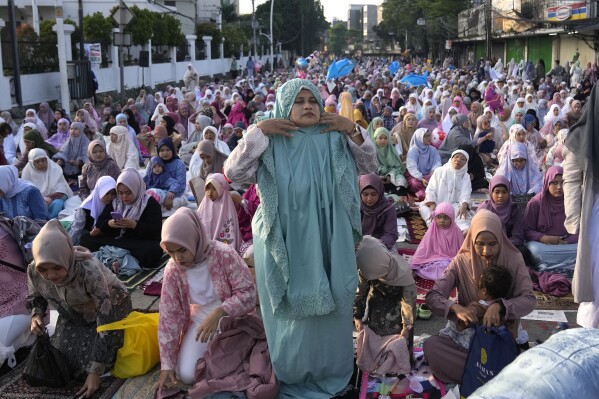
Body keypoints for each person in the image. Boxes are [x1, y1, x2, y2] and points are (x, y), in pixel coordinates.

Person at [223, 78, 377, 398]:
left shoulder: (334, 135)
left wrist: (351, 128)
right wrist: (258, 131)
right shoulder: (270, 138)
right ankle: (292, 373)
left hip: (330, 236)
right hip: (285, 239)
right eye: (298, 100)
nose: (307, 105)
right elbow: (233, 173)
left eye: (312, 100)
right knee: (291, 311)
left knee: (335, 301)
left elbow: (370, 164)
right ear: (283, 106)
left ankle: (333, 371)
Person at [424, 210, 535, 383]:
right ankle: (498, 374)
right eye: (480, 244)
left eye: (492, 244)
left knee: (499, 354)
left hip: (502, 334)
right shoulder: (461, 261)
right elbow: (433, 296)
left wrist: (500, 306)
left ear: (500, 239)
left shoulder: (514, 259)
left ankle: (482, 373)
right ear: (471, 240)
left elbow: (528, 299)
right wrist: (455, 308)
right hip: (469, 334)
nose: (486, 250)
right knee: (432, 346)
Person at [27, 220, 132, 398]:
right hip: (73, 313)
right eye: (43, 269)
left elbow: (108, 322)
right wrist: (36, 315)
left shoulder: (89, 272)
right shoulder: (33, 270)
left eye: (57, 267)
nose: (51, 276)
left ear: (67, 258)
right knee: (63, 363)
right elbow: (36, 296)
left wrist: (95, 372)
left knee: (91, 367)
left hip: (113, 308)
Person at [156, 207, 256, 389]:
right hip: (201, 323)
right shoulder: (173, 269)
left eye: (182, 250)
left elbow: (248, 293)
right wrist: (167, 365)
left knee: (238, 366)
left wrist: (221, 311)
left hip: (234, 319)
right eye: (171, 252)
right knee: (187, 374)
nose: (177, 258)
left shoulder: (224, 254)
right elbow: (169, 317)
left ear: (194, 238)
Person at [563, 84, 599, 328]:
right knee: (595, 276)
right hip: (594, 211)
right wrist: (574, 219)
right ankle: (589, 337)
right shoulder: (580, 135)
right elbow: (571, 178)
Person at [79, 168, 163, 268]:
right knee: (86, 239)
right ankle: (123, 259)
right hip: (117, 241)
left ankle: (113, 257)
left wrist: (135, 225)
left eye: (128, 193)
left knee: (153, 251)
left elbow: (156, 232)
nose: (124, 197)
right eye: (120, 193)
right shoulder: (115, 201)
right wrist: (110, 224)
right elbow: (101, 221)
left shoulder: (150, 203)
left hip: (137, 242)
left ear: (136, 188)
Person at [354, 235, 416, 355]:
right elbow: (360, 292)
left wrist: (406, 327)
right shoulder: (366, 269)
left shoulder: (403, 273)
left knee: (399, 341)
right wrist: (357, 316)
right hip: (377, 301)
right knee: (375, 334)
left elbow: (408, 302)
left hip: (399, 306)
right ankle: (377, 358)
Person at [438, 265, 518, 350]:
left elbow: (461, 325)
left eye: (478, 286)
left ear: (484, 291)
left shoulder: (477, 307)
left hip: (476, 346)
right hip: (498, 346)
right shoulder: (507, 307)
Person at [524, 166, 578, 276]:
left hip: (568, 243)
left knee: (586, 248)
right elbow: (526, 230)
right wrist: (543, 238)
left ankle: (551, 267)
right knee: (535, 250)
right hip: (544, 245)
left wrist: (567, 241)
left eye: (563, 183)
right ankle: (569, 266)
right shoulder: (535, 203)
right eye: (554, 183)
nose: (559, 187)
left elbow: (580, 229)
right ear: (547, 183)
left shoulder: (573, 202)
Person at [419, 150, 473, 231]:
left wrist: (464, 205)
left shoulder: (466, 176)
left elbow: (466, 193)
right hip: (437, 202)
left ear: (466, 163)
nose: (458, 160)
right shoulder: (439, 171)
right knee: (425, 210)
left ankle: (461, 230)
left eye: (462, 159)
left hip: (454, 205)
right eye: (456, 157)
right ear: (451, 158)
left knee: (462, 216)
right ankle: (434, 227)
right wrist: (432, 204)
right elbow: (431, 189)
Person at [411, 202, 464, 281]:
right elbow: (423, 248)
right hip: (433, 259)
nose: (442, 221)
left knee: (449, 268)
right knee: (432, 267)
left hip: (450, 260)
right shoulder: (432, 230)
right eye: (438, 217)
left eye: (446, 218)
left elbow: (462, 250)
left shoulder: (456, 231)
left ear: (451, 218)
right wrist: (416, 263)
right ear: (435, 218)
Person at [21, 149, 73, 219]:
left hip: (53, 201)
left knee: (58, 203)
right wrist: (41, 201)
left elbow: (62, 191)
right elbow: (26, 195)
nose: (41, 163)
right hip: (36, 204)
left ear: (47, 159)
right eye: (37, 161)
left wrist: (48, 199)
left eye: (43, 160)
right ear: (31, 163)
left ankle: (50, 221)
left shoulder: (55, 170)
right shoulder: (27, 174)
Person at [477, 175, 525, 250]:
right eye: (497, 192)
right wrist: (494, 246)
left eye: (504, 192)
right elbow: (477, 234)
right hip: (488, 247)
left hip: (509, 246)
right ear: (491, 192)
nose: (500, 196)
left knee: (523, 251)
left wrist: (503, 246)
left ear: (509, 192)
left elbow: (517, 235)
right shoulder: (484, 209)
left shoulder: (514, 209)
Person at [196, 173, 241, 252]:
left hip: (223, 250)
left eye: (214, 189)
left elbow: (230, 229)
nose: (210, 192)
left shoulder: (227, 206)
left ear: (221, 189)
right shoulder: (204, 205)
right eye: (207, 188)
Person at [69, 176, 117, 245]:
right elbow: (77, 229)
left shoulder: (114, 204)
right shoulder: (85, 208)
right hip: (85, 234)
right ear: (99, 191)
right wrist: (69, 245)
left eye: (113, 194)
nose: (110, 197)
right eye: (107, 193)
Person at [359, 173, 398, 251]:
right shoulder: (356, 206)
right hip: (358, 244)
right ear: (360, 193)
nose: (369, 199)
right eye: (365, 194)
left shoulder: (388, 207)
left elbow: (391, 234)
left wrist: (374, 246)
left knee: (389, 259)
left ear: (380, 192)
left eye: (373, 194)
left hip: (381, 245)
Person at [406, 128, 442, 200]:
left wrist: (433, 172)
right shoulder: (413, 151)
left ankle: (423, 193)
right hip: (416, 176)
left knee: (440, 179)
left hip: (429, 175)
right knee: (414, 183)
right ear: (419, 138)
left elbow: (438, 162)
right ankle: (428, 193)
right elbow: (412, 167)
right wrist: (421, 178)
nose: (429, 138)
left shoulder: (432, 149)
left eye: (429, 135)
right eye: (425, 136)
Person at [374, 127, 408, 196]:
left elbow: (397, 167)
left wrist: (390, 176)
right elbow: (369, 168)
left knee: (402, 181)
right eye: (380, 138)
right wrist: (379, 176)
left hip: (392, 174)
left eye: (385, 138)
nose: (383, 141)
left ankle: (392, 194)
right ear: (376, 138)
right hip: (377, 175)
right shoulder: (372, 151)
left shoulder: (391, 149)